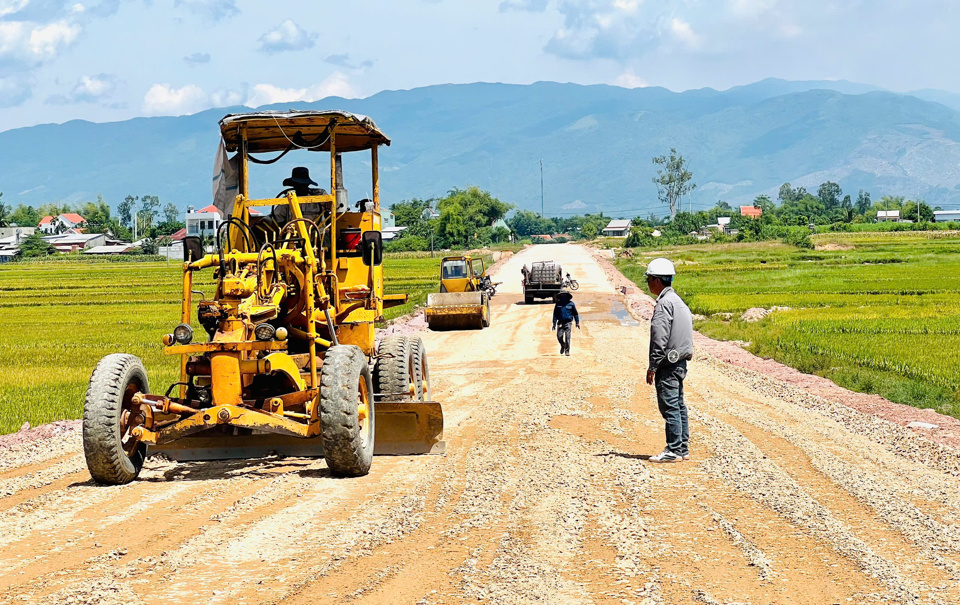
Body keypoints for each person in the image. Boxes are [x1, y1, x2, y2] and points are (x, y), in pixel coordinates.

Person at [644, 258, 694, 463]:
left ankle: (673, 449)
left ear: (656, 281)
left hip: (668, 363)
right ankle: (681, 448)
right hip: (680, 361)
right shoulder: (677, 301)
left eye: (649, 279)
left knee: (670, 406)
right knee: (679, 405)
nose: (647, 283)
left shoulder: (664, 304)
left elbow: (659, 337)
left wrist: (653, 366)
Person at [551, 290, 580, 356]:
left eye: (565, 295)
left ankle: (567, 351)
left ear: (567, 296)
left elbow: (575, 313)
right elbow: (555, 314)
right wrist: (554, 324)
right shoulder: (558, 304)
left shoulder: (571, 304)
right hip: (560, 323)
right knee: (559, 336)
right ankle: (563, 345)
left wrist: (577, 322)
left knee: (567, 337)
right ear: (560, 296)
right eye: (562, 295)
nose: (563, 296)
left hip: (568, 323)